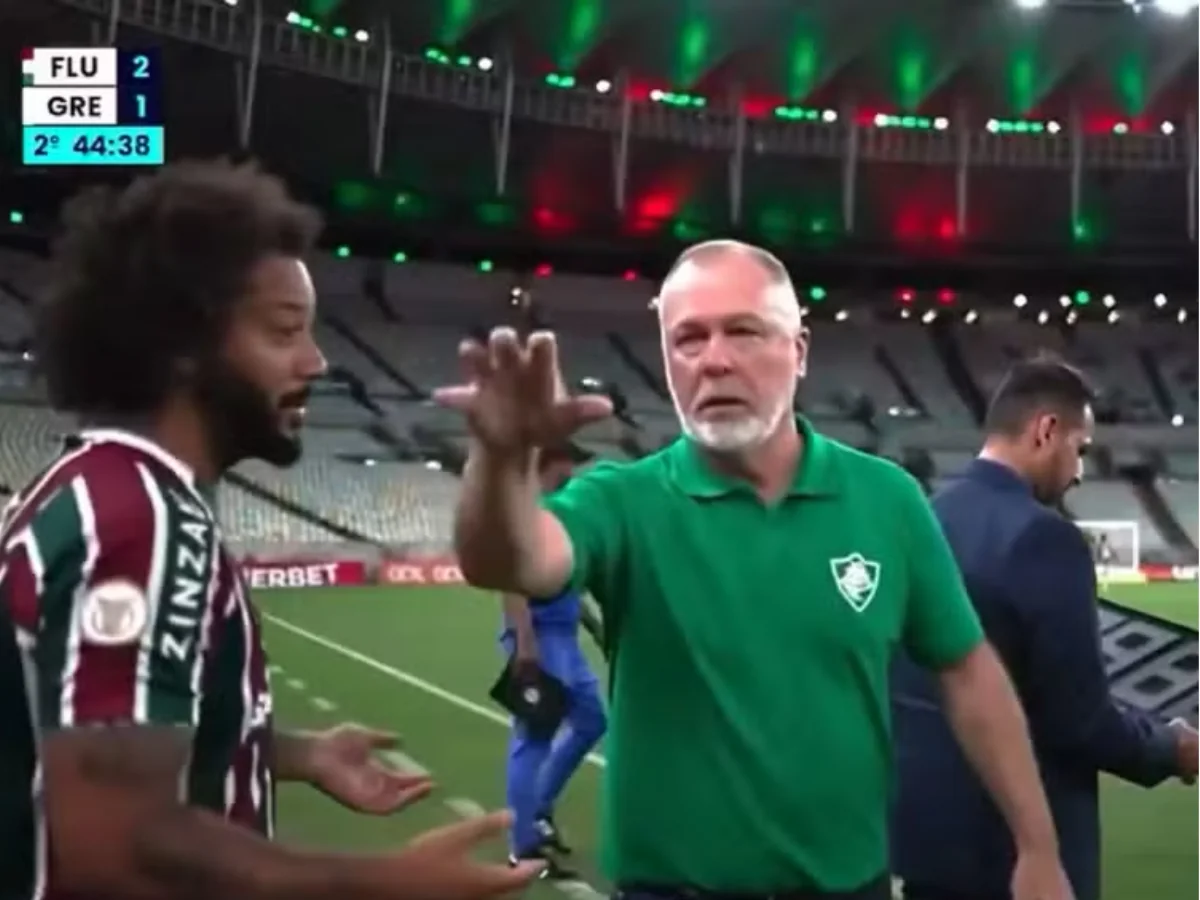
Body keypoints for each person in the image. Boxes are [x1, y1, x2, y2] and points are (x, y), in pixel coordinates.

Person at [436, 238, 1074, 900]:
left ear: (799, 350)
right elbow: (505, 558)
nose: (714, 360)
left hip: (850, 887)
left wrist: (1038, 847)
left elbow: (967, 669)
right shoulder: (623, 501)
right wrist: (500, 458)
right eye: (688, 339)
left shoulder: (888, 499)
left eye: (743, 332)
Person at [0, 160, 544, 900]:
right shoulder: (136, 523)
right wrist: (387, 882)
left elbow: (83, 732)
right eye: (284, 330)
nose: (316, 361)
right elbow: (119, 844)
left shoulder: (99, 489)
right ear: (180, 346)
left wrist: (287, 752)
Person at [890, 358, 1199, 900]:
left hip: (926, 852)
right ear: (1046, 430)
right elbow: (1080, 722)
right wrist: (1171, 747)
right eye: (1080, 448)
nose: (1079, 472)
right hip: (1018, 860)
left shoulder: (922, 519)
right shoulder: (1044, 538)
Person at [500, 446, 607, 877]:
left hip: (562, 637)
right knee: (534, 738)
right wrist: (525, 644)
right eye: (568, 460)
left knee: (593, 722)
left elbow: (567, 581)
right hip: (540, 638)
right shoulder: (527, 512)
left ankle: (538, 810)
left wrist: (594, 626)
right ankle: (523, 845)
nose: (574, 468)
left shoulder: (559, 511)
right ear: (550, 461)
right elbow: (510, 580)